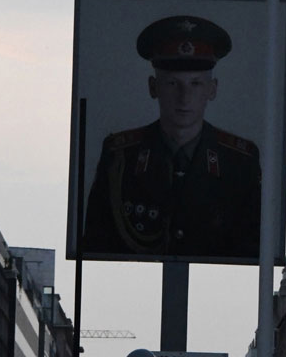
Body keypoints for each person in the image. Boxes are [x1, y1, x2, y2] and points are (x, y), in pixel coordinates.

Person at [83, 15, 262, 260]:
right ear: (153, 87)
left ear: (212, 89)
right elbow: (96, 243)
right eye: (172, 84)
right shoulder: (120, 157)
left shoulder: (239, 162)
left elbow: (252, 247)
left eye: (196, 84)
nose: (184, 97)